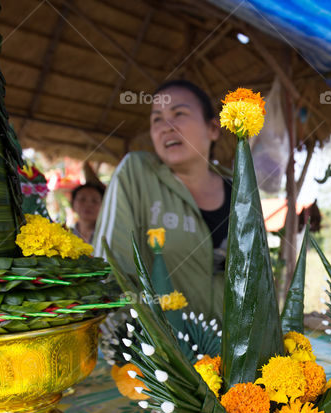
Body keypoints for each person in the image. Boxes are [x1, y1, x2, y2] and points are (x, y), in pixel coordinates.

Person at [94, 80, 230, 318]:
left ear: (213, 128)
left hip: (233, 351)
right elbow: (109, 269)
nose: (166, 126)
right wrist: (128, 346)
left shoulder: (242, 192)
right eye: (157, 119)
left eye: (179, 113)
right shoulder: (136, 174)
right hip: (155, 351)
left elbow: (258, 281)